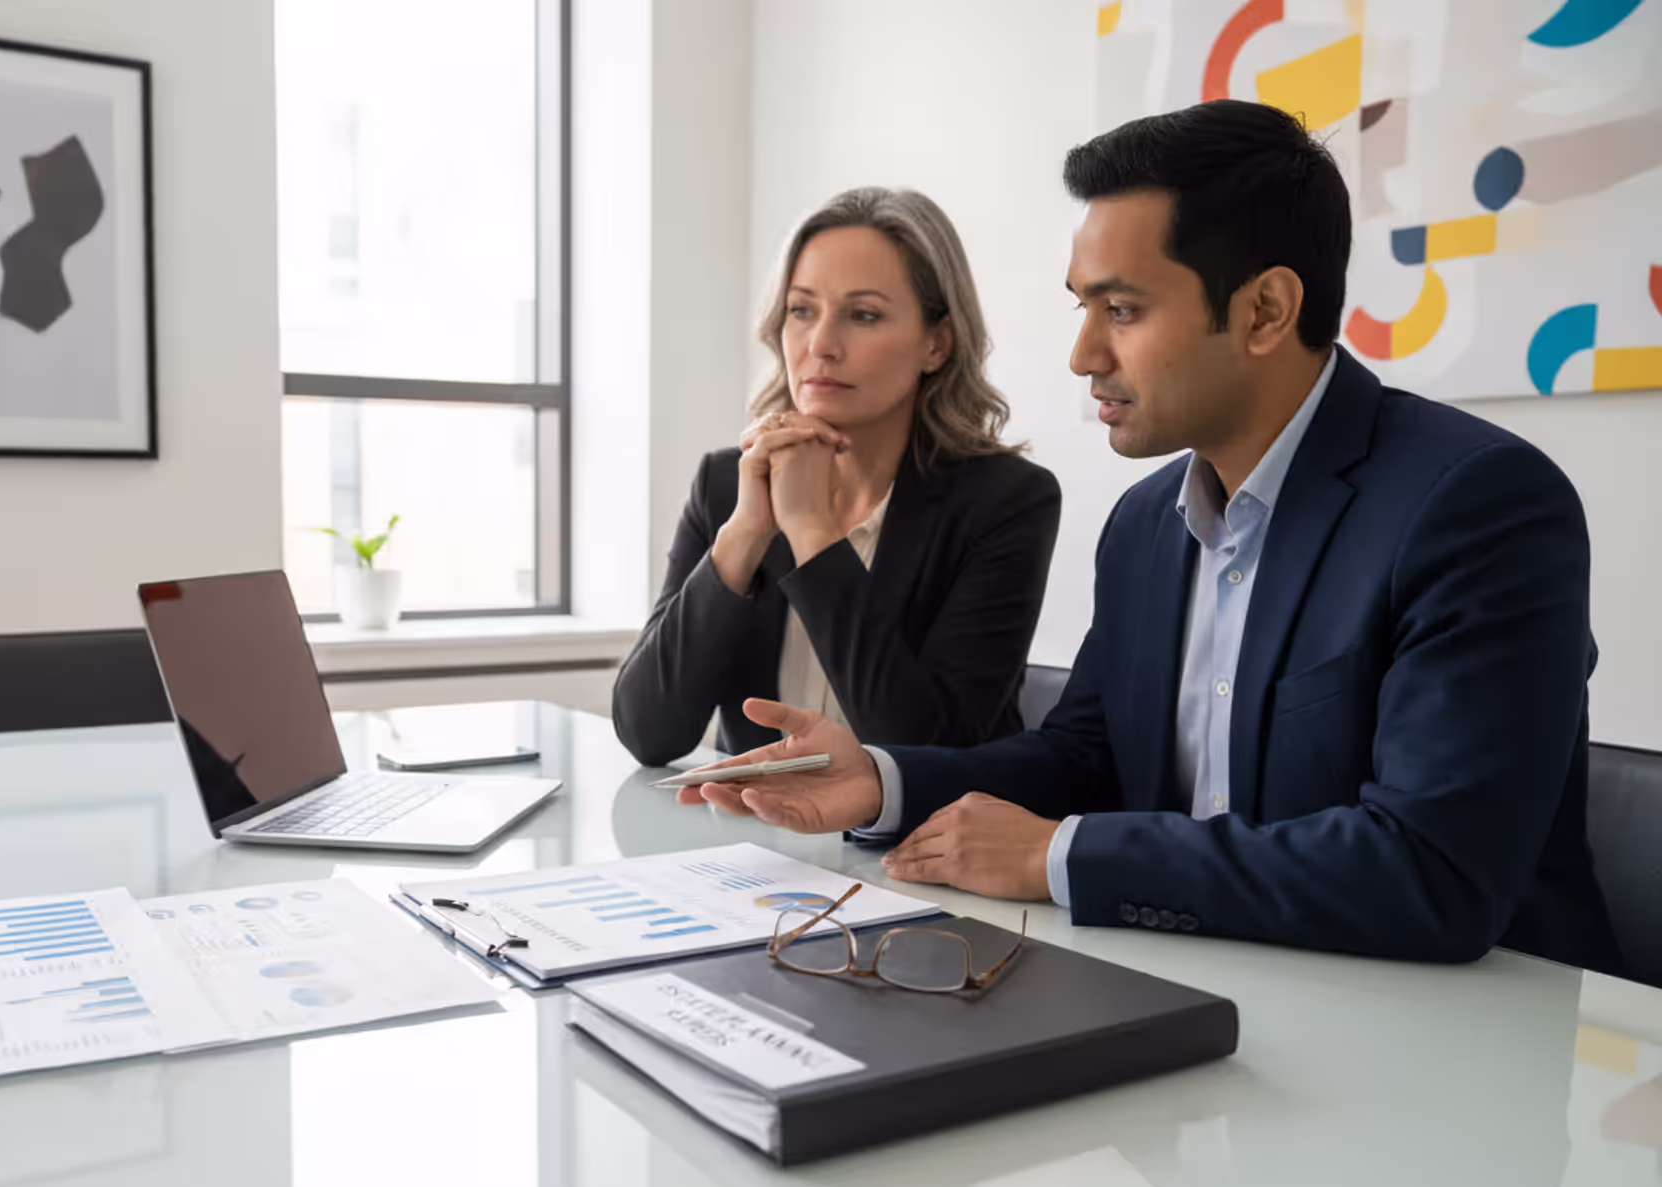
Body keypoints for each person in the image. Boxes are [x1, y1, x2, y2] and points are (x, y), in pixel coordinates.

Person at [677, 102, 1624, 973]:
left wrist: (1062, 854)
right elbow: (1090, 758)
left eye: (1121, 310)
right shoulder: (1146, 522)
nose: (1084, 353)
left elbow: (1433, 875)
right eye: (1082, 306)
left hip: (1466, 1046)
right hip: (1218, 986)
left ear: (1264, 312)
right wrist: (880, 781)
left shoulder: (1477, 504)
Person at [612, 188, 1062, 767]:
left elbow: (923, 748)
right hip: (754, 843)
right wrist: (747, 532)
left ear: (936, 343)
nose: (820, 345)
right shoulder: (726, 484)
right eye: (802, 310)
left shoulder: (1006, 502)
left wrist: (813, 532)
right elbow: (650, 733)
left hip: (911, 848)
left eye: (864, 315)